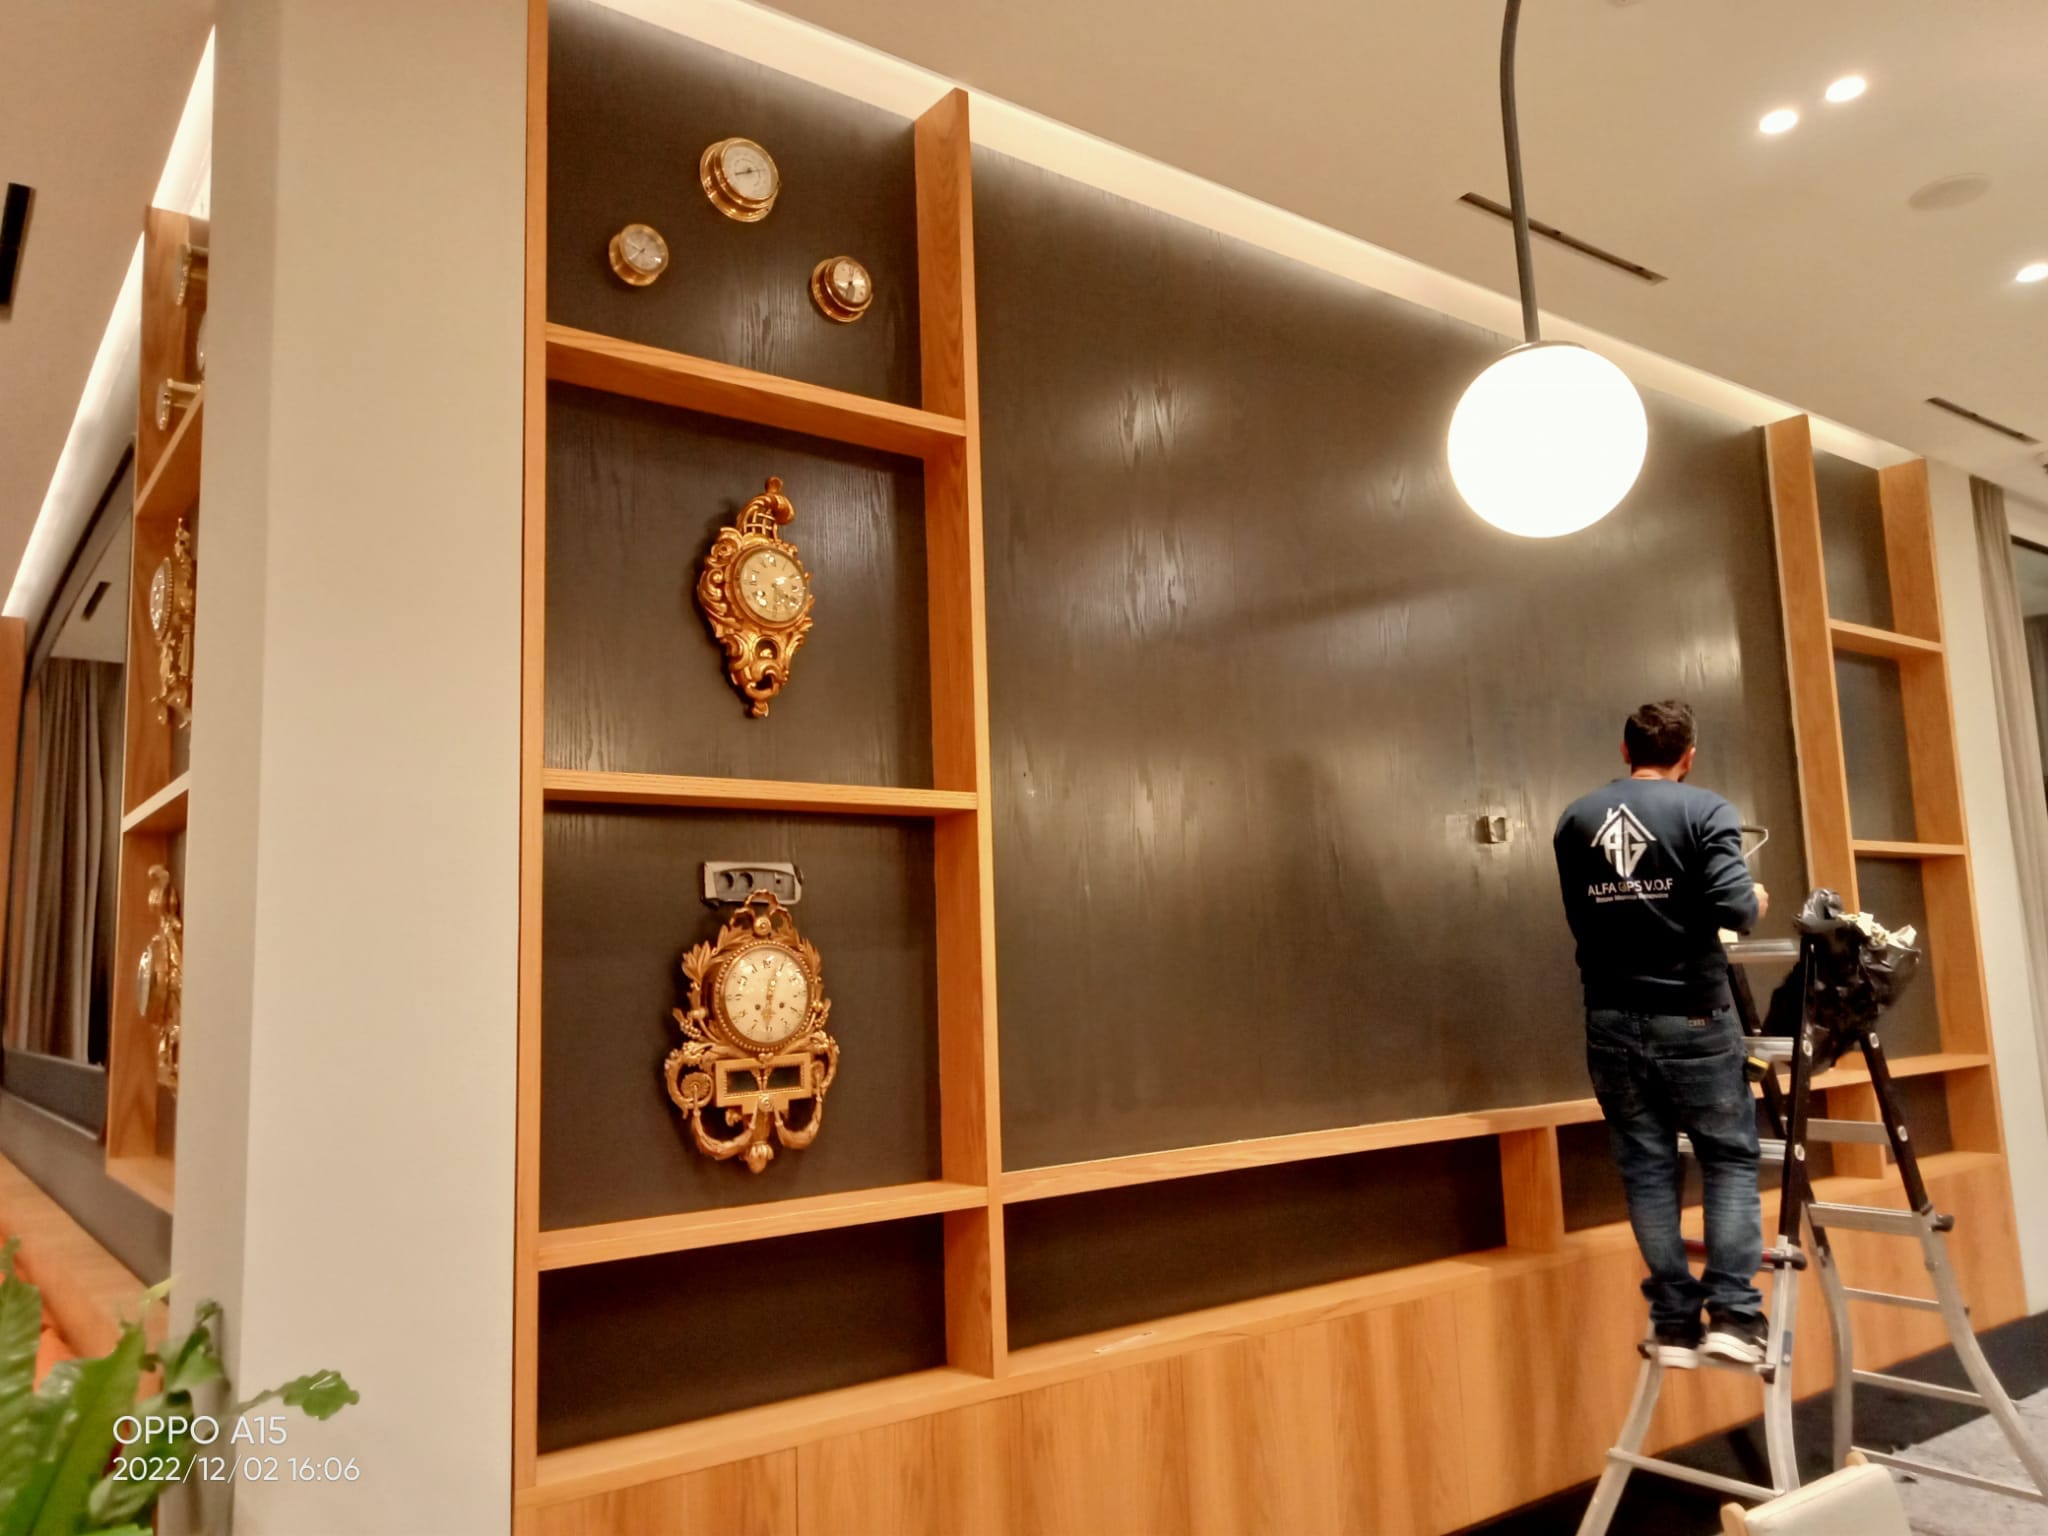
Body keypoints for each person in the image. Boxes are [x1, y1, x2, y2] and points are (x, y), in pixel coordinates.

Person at [1553, 700, 1771, 1369]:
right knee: (1727, 1159)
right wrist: (1755, 900)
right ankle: (1733, 1315)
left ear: (1626, 752)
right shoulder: (1706, 810)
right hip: (1694, 1015)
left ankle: (1675, 1323)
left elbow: (1581, 915)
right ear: (1688, 756)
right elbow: (1736, 908)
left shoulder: (1577, 819)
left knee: (1647, 1170)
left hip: (1609, 1018)